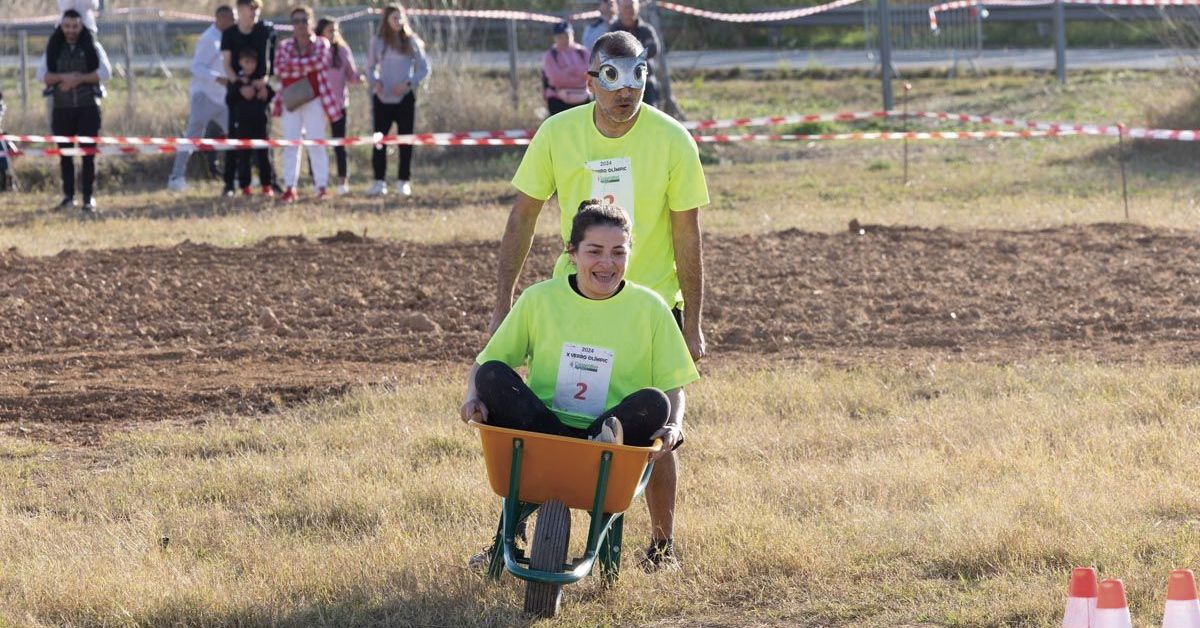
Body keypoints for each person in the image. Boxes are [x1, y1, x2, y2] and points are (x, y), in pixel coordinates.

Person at [490, 31, 709, 570]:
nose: (625, 92)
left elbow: (688, 235)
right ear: (590, 84)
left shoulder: (673, 139)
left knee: (656, 430)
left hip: (650, 308)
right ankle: (508, 538)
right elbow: (523, 217)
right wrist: (504, 303)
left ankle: (662, 547)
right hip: (574, 301)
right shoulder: (557, 133)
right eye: (612, 79)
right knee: (545, 422)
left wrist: (694, 322)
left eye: (636, 78)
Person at [464, 201, 699, 570]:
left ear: (629, 254)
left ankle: (597, 445)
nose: (607, 263)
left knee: (654, 402)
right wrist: (472, 398)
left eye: (618, 252)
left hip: (611, 442)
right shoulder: (539, 299)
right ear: (572, 253)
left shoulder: (650, 308)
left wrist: (674, 425)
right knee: (492, 374)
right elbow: (482, 365)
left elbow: (673, 387)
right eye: (594, 251)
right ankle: (575, 454)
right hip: (541, 435)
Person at [36, 9, 112, 214]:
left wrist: (79, 78)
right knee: (65, 155)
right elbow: (41, 75)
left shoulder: (92, 46)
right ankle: (68, 196)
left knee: (88, 155)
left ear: (81, 26)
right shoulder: (54, 48)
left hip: (88, 108)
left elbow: (106, 72)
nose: (71, 30)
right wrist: (64, 78)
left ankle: (88, 197)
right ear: (62, 26)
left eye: (75, 26)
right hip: (62, 109)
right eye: (67, 26)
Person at [272, 5, 338, 202]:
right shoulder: (284, 46)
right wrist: (305, 67)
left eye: (304, 20)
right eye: (296, 21)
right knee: (291, 144)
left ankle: (321, 186)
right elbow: (280, 69)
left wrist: (296, 66)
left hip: (315, 98)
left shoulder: (321, 43)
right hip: (291, 99)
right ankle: (290, 187)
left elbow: (319, 64)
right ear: (292, 25)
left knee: (316, 142)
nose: (300, 25)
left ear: (311, 22)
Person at [167, 5, 236, 193]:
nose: (234, 22)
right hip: (204, 97)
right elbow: (197, 67)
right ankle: (176, 176)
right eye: (231, 18)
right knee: (192, 136)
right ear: (220, 18)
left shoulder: (229, 38)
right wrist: (218, 78)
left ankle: (235, 176)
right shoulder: (208, 39)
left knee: (235, 136)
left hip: (222, 99)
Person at [365, 3, 429, 198]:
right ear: (386, 20)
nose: (398, 21)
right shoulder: (378, 42)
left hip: (404, 99)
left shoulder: (412, 42)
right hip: (382, 99)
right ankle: (379, 181)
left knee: (405, 140)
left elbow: (424, 68)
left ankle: (403, 181)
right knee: (379, 141)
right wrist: (375, 82)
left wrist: (408, 84)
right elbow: (369, 68)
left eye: (400, 17)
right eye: (394, 17)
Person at [220, 0, 277, 197]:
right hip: (238, 93)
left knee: (264, 140)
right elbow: (227, 65)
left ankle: (269, 182)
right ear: (240, 9)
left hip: (260, 91)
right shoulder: (230, 34)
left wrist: (262, 83)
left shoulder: (264, 31)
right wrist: (240, 85)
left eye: (257, 8)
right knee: (236, 141)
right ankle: (230, 184)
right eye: (250, 8)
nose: (254, 12)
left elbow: (270, 62)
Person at [316, 17, 363, 196]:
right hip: (318, 104)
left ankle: (343, 180)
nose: (333, 33)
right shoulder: (315, 50)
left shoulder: (342, 50)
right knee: (317, 143)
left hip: (338, 104)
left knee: (339, 143)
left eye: (335, 30)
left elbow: (351, 74)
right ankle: (319, 180)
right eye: (329, 30)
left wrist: (360, 78)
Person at [226, 48, 274, 196]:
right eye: (247, 62)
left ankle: (267, 185)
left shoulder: (260, 80)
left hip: (261, 123)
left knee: (263, 156)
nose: (250, 65)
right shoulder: (236, 81)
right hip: (242, 124)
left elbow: (271, 94)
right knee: (244, 156)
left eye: (253, 62)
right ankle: (245, 186)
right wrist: (240, 90)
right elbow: (229, 100)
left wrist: (264, 93)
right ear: (240, 63)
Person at [610, 0, 662, 107]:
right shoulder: (613, 30)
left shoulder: (646, 29)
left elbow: (653, 49)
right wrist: (640, 52)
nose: (629, 10)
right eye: (626, 7)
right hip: (621, 85)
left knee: (650, 114)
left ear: (637, 8)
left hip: (645, 82)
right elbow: (612, 52)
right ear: (619, 8)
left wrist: (628, 52)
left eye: (631, 7)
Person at [541, 22, 590, 117]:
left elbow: (590, 74)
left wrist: (567, 72)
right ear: (555, 38)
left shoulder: (583, 53)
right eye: (560, 37)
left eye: (567, 35)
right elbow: (556, 79)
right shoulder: (550, 55)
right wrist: (577, 73)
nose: (564, 39)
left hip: (583, 98)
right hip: (558, 100)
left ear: (572, 34)